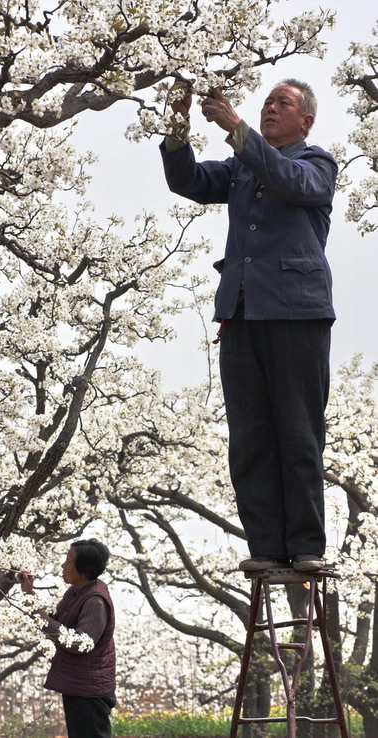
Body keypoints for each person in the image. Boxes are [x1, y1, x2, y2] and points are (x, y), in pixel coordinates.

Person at [160, 79, 337, 572]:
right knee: (250, 435)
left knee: (299, 432)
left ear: (306, 121)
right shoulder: (242, 165)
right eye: (266, 103)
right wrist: (179, 125)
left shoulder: (317, 164)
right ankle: (265, 546)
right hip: (240, 312)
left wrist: (238, 130)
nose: (270, 108)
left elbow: (288, 180)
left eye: (284, 103)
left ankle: (305, 546)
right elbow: (189, 182)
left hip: (297, 314)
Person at [19, 539, 116, 737]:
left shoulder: (95, 601)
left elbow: (79, 643)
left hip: (89, 691)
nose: (63, 565)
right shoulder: (77, 591)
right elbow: (58, 622)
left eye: (68, 560)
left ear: (83, 571)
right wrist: (30, 595)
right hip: (78, 685)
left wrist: (37, 612)